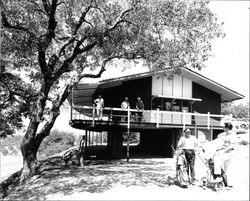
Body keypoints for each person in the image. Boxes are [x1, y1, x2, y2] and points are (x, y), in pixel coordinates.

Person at [213, 122, 236, 187]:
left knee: (217, 159)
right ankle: (228, 184)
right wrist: (219, 149)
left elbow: (231, 146)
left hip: (229, 153)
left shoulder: (232, 135)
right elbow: (224, 144)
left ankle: (218, 176)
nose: (223, 128)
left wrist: (222, 151)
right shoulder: (225, 134)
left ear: (227, 128)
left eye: (224, 127)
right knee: (227, 169)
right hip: (225, 152)